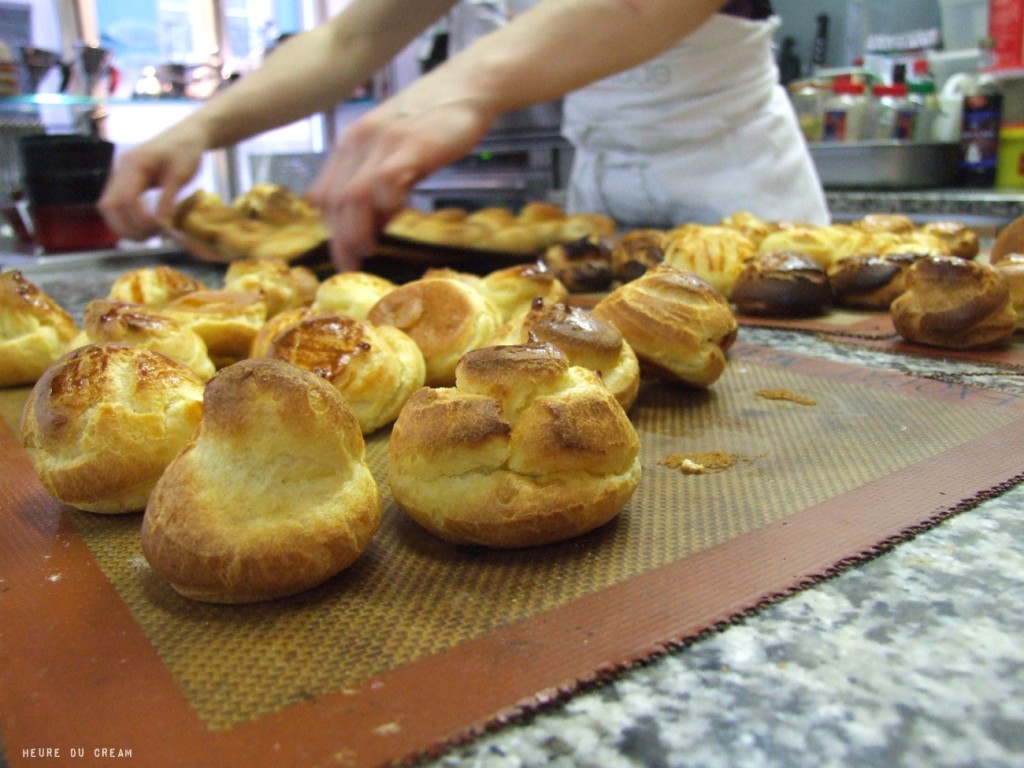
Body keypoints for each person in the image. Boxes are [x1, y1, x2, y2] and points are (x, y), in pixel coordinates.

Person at [99, 0, 828, 273]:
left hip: (743, 195)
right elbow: (349, 39)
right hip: (601, 201)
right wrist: (201, 125)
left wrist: (462, 86)